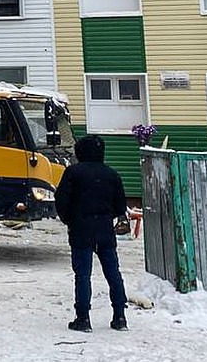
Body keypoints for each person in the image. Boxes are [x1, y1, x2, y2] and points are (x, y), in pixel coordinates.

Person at [55, 134, 129, 332]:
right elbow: (120, 205)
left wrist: (70, 219)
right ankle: (120, 316)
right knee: (113, 273)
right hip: (105, 229)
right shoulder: (112, 175)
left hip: (81, 228)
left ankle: (83, 318)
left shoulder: (73, 173)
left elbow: (61, 201)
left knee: (82, 275)